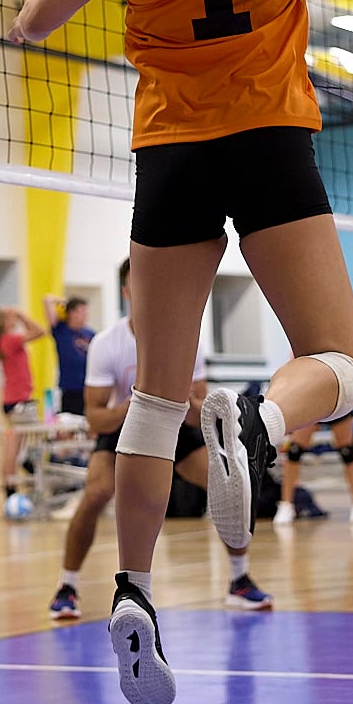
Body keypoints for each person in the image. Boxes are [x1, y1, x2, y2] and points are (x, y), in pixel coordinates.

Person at [8, 0, 353, 704]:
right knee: (339, 363)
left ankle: (131, 592)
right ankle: (256, 422)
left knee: (154, 401)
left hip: (169, 156)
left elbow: (31, 26)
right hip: (269, 145)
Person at [48, 260, 270, 621]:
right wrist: (138, 402)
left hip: (175, 423)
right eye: (138, 282)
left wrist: (184, 401)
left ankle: (239, 580)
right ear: (126, 291)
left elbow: (198, 413)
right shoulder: (107, 344)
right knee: (96, 493)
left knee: (227, 486)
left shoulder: (186, 338)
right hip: (124, 426)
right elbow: (96, 418)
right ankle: (67, 586)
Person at [0, 306, 48, 498]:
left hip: (15, 400)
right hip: (18, 401)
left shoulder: (4, 341)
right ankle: (12, 486)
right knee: (14, 446)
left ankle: (16, 478)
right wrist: (22, 316)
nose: (14, 320)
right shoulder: (9, 340)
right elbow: (40, 331)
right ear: (3, 323)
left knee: (16, 445)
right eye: (9, 318)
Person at [271, 415, 353, 525]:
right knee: (294, 451)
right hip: (312, 406)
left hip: (337, 407)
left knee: (348, 452)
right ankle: (286, 504)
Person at [45, 292, 96, 418]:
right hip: (70, 389)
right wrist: (64, 301)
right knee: (68, 423)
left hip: (89, 388)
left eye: (86, 312)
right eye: (81, 311)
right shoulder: (61, 330)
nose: (85, 315)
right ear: (71, 313)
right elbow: (47, 300)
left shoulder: (90, 334)